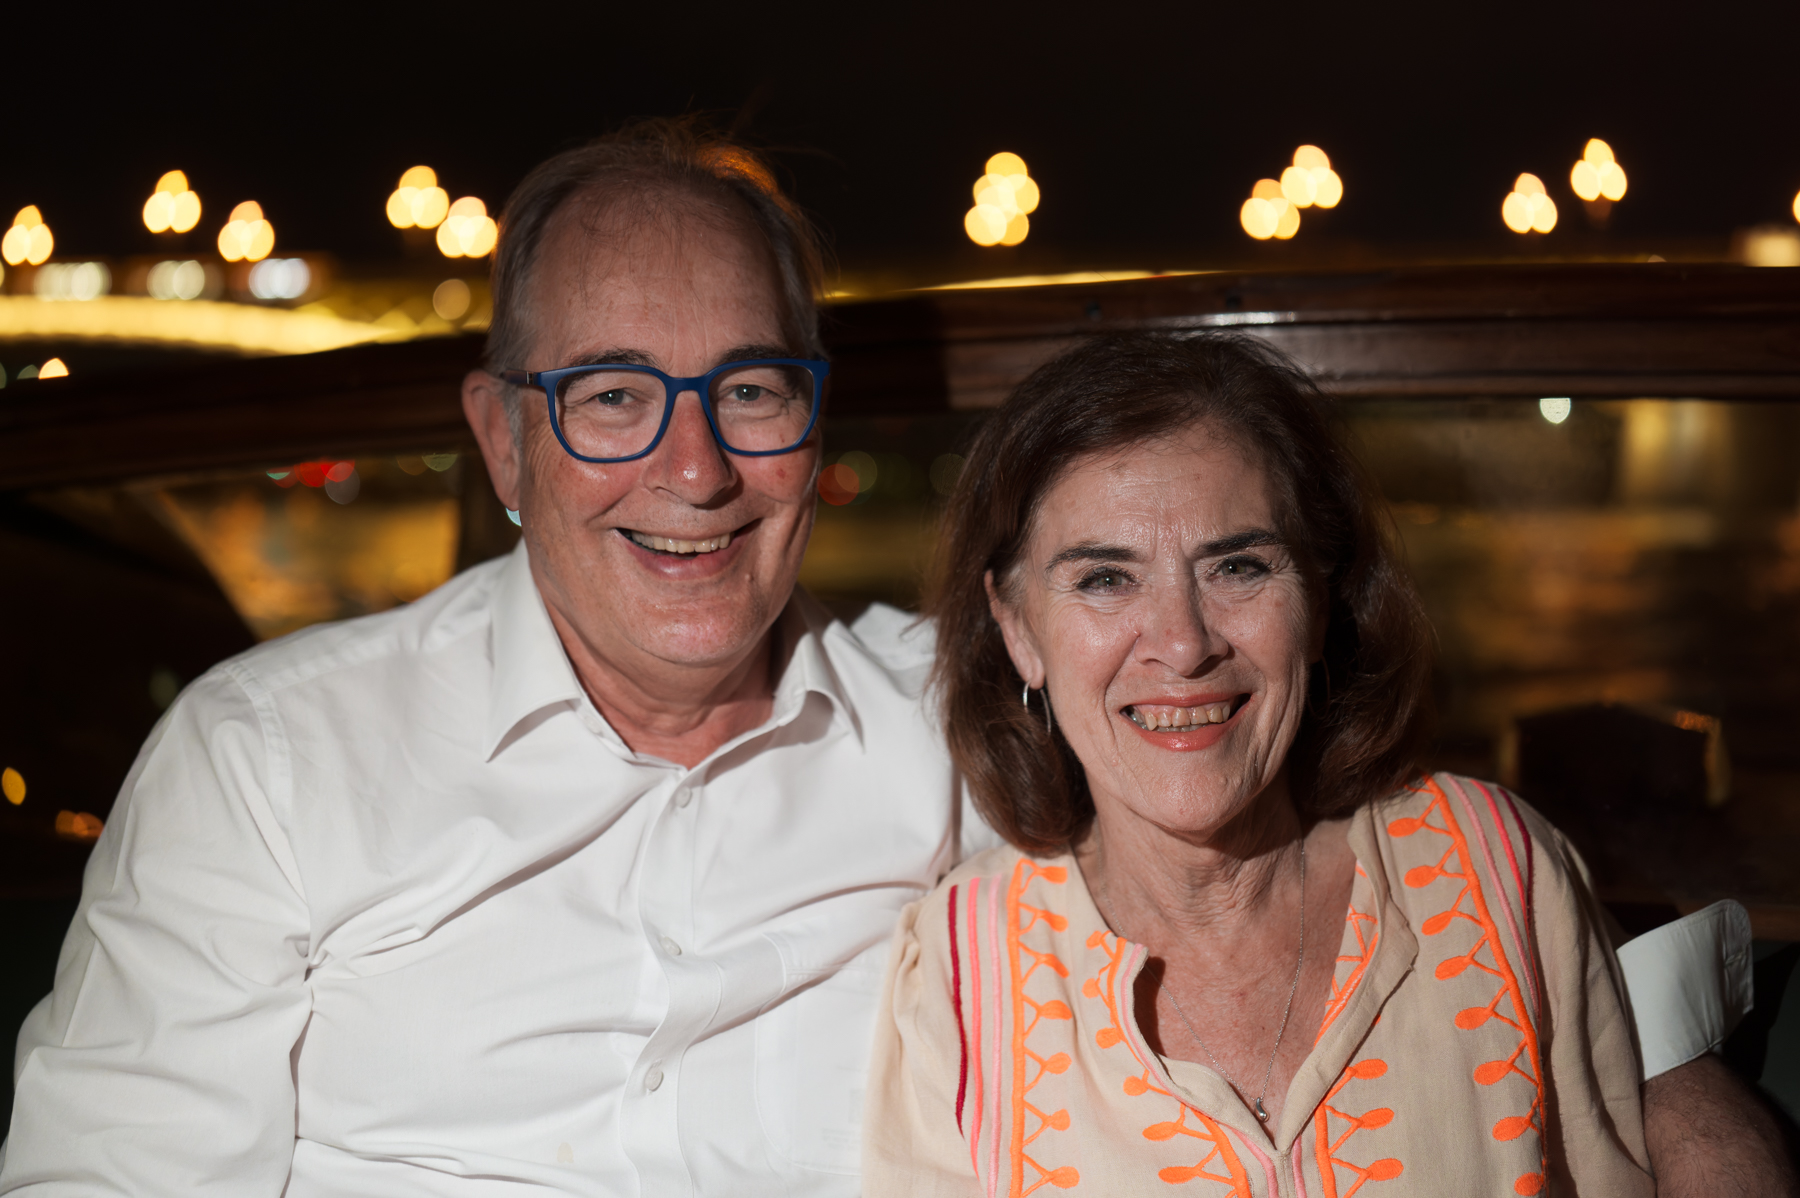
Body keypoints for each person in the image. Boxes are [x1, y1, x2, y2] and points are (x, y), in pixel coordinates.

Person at [0, 124, 1781, 1197]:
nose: (690, 470)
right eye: (612, 396)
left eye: (749, 392)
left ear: (810, 423)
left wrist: (1662, 1073)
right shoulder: (268, 760)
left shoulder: (967, 721)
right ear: (502, 439)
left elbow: (1329, 865)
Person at [864, 333, 1797, 1196]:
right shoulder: (955, 969)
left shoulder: (1493, 865)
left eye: (1238, 567)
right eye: (1105, 578)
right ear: (1019, 628)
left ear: (1318, 602)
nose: (1183, 646)